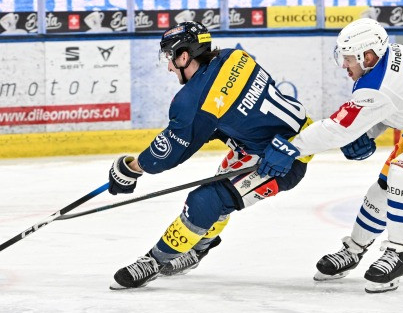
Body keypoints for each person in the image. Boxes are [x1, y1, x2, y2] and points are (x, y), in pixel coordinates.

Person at [258, 19, 403, 293]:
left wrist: (293, 147)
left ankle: (396, 254)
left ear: (367, 56)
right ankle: (353, 250)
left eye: (348, 59)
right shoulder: (387, 60)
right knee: (382, 189)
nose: (344, 65)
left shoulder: (378, 84)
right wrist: (370, 134)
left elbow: (337, 129)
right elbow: (398, 106)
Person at [106, 21, 311, 289]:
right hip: (283, 139)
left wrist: (131, 168)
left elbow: (168, 153)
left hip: (279, 163)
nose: (168, 66)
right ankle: (199, 249)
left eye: (170, 57)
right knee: (220, 190)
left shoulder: (193, 101)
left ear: (184, 56)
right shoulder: (234, 56)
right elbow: (236, 112)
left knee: (205, 201)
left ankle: (154, 261)